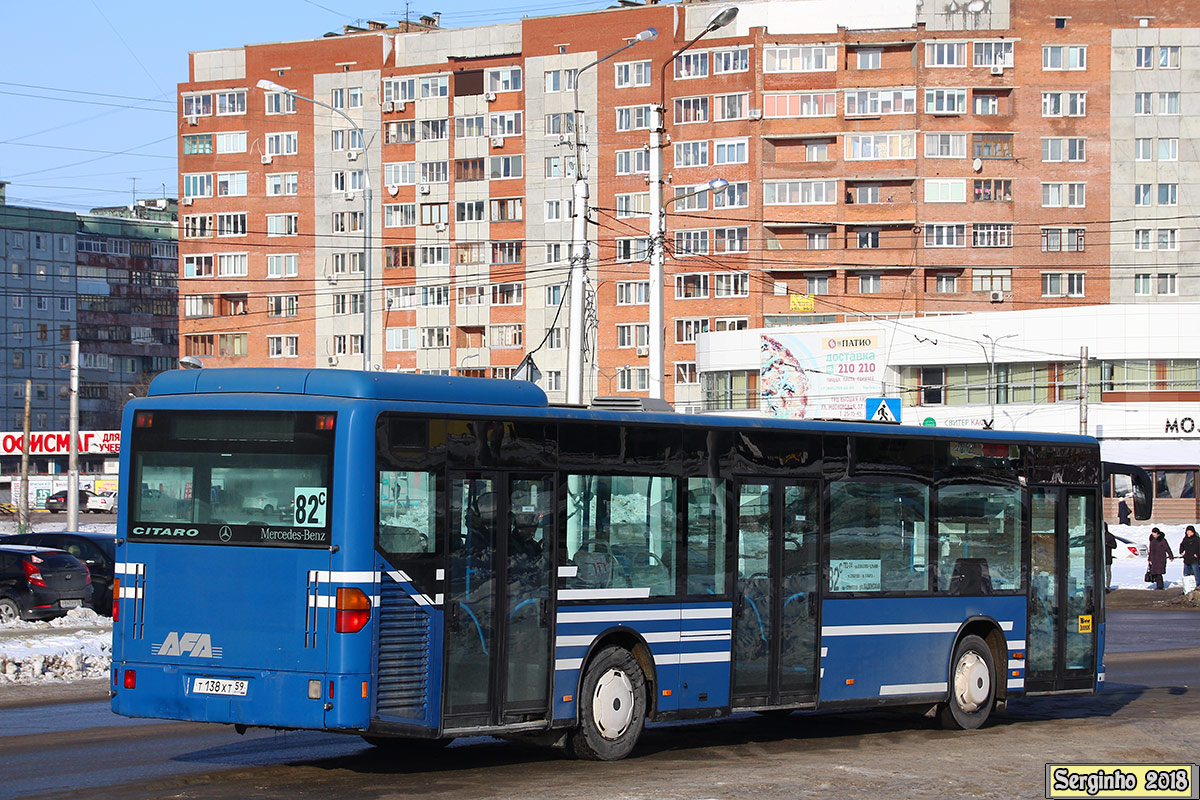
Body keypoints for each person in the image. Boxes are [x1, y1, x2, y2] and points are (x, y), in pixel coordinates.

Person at [1178, 525, 1200, 591]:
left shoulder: (1197, 539)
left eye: (1190, 531)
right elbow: (1181, 546)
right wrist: (1181, 551)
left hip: (1194, 560)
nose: (1188, 533)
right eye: (1187, 531)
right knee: (1186, 575)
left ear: (1193, 532)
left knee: (1197, 575)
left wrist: (1197, 554)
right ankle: (1187, 589)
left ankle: (1198, 587)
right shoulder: (1185, 539)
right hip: (1187, 560)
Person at [1104, 523, 1118, 592]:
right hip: (1100, 558)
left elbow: (1114, 546)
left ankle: (1107, 586)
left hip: (1107, 557)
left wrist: (1107, 544)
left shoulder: (1110, 536)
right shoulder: (1098, 535)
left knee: (1108, 572)